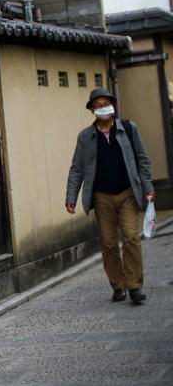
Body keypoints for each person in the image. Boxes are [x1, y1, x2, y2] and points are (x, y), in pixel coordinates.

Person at [66, 87, 155, 305]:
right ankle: (118, 285)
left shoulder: (128, 129)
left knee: (131, 237)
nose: (102, 108)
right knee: (108, 243)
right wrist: (71, 196)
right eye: (98, 106)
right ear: (92, 111)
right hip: (101, 196)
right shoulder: (85, 137)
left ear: (113, 106)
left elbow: (142, 159)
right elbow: (77, 168)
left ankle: (135, 286)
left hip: (127, 193)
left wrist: (147, 186)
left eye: (106, 104)